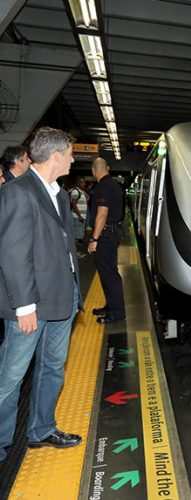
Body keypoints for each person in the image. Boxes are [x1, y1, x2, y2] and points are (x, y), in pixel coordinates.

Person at [0, 127, 83, 463]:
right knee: (10, 376)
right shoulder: (18, 192)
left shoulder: (58, 194)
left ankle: (42, 429)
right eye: (70, 154)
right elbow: (13, 253)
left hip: (62, 297)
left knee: (52, 367)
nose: (73, 160)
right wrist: (24, 306)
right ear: (56, 155)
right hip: (31, 304)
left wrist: (75, 291)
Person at [88, 157, 125, 324]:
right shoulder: (114, 185)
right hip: (112, 233)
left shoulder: (102, 187)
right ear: (108, 168)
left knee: (109, 274)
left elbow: (102, 214)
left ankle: (117, 312)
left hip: (105, 235)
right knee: (107, 272)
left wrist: (94, 238)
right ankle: (111, 306)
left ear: (93, 171)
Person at [69, 176, 88, 257]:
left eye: (84, 182)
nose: (84, 184)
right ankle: (75, 253)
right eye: (82, 182)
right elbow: (73, 204)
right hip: (77, 218)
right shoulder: (75, 192)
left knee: (78, 236)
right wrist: (79, 216)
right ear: (78, 183)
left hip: (80, 217)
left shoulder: (81, 192)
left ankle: (75, 252)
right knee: (76, 236)